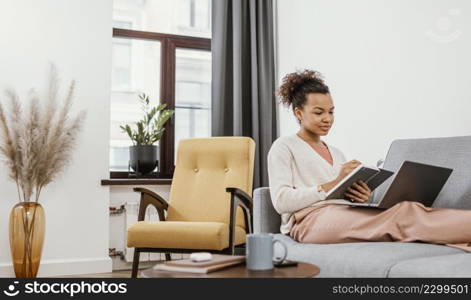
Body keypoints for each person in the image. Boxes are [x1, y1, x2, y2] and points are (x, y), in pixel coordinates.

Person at [267, 69, 471, 252]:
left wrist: (360, 197)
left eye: (331, 112)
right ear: (298, 113)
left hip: (343, 212)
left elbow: (342, 197)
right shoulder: (284, 146)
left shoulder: (337, 153)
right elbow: (281, 201)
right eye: (319, 112)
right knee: (402, 217)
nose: (327, 119)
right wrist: (331, 184)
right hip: (309, 220)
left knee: (406, 209)